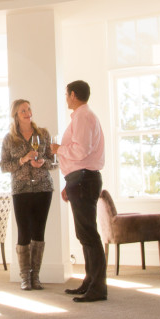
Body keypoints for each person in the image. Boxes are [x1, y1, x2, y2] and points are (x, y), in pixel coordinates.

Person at [52, 80, 107, 303]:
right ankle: (90, 281)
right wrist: (69, 183)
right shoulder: (82, 116)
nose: (66, 98)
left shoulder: (83, 116)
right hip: (80, 179)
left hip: (84, 179)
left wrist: (58, 149)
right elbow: (82, 156)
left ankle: (98, 287)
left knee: (88, 234)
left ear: (73, 94)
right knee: (85, 233)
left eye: (66, 94)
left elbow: (81, 151)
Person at [0, 99, 56, 290]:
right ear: (16, 115)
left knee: (39, 232)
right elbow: (4, 166)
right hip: (21, 189)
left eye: (29, 108)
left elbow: (54, 162)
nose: (27, 112)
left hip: (43, 188)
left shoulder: (43, 134)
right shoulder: (9, 139)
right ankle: (25, 277)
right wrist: (23, 160)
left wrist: (42, 163)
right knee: (24, 233)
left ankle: (36, 277)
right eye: (23, 110)